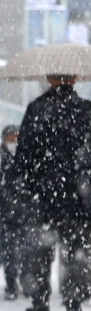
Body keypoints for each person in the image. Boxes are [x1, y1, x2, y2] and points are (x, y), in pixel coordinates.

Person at [13, 74, 91, 311]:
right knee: (76, 254)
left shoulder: (36, 110)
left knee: (40, 255)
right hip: (80, 201)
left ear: (49, 79)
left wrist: (29, 192)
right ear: (76, 79)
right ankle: (73, 305)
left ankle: (40, 305)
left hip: (43, 201)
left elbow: (23, 161)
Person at [0, 125, 31, 300]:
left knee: (27, 252)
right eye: (10, 139)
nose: (13, 143)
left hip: (25, 215)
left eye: (16, 139)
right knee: (9, 253)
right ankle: (11, 286)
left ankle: (26, 283)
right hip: (6, 216)